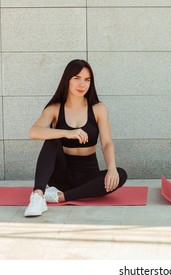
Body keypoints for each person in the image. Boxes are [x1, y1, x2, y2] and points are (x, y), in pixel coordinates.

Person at [24, 59, 128, 217]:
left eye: (87, 80)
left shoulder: (98, 108)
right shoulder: (55, 108)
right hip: (61, 175)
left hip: (88, 175)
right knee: (52, 138)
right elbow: (33, 132)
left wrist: (112, 168)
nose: (82, 84)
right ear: (67, 79)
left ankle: (60, 197)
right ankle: (38, 196)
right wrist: (66, 132)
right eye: (77, 78)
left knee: (121, 174)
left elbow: (106, 143)